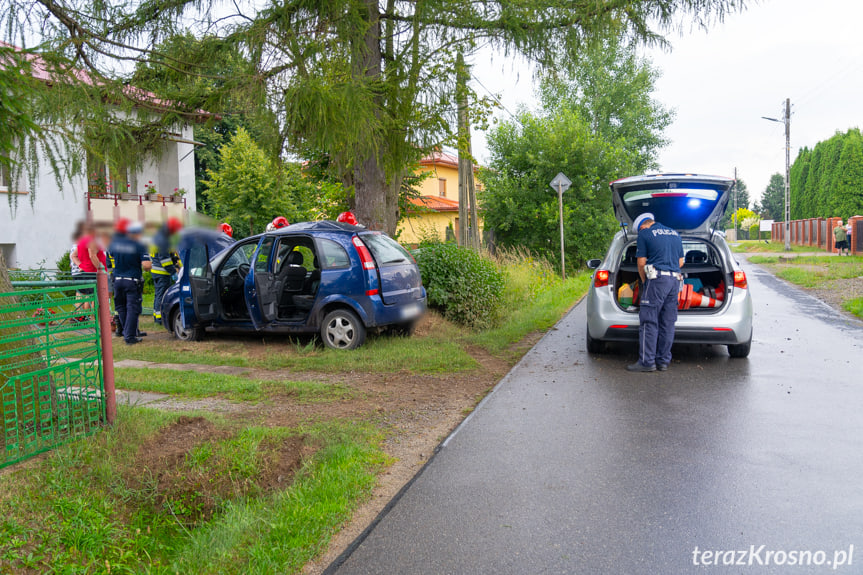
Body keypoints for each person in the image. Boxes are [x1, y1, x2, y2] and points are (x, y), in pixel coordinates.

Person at [627, 212, 684, 373]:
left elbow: (641, 262)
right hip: (675, 281)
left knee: (648, 320)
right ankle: (663, 361)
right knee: (668, 322)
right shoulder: (675, 233)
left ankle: (646, 362)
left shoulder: (645, 233)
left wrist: (645, 282)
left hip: (657, 279)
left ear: (643, 226)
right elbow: (680, 262)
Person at [110, 221, 151, 345]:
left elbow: (111, 257)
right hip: (132, 281)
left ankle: (128, 332)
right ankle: (130, 336)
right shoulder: (139, 245)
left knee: (121, 308)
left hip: (117, 280)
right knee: (133, 309)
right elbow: (146, 265)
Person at [150, 217, 183, 325]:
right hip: (162, 272)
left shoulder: (158, 237)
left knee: (158, 295)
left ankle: (156, 316)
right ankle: (159, 319)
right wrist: (173, 272)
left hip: (156, 271)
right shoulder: (163, 240)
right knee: (162, 295)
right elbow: (165, 260)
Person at [74, 222, 107, 315]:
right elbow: (92, 255)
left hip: (85, 272)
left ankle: (81, 317)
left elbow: (73, 255)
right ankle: (94, 319)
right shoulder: (91, 240)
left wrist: (80, 266)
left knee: (83, 295)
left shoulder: (81, 241)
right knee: (95, 297)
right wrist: (101, 269)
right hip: (93, 273)